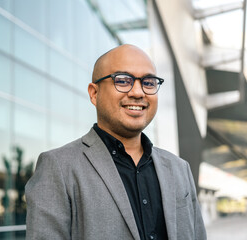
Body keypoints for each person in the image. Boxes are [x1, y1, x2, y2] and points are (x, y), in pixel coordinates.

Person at [25, 44, 206, 240]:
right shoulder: (58, 167)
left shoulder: (180, 169)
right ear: (94, 93)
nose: (138, 92)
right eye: (123, 80)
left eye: (148, 83)